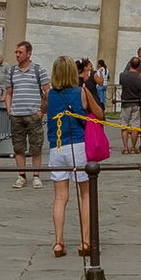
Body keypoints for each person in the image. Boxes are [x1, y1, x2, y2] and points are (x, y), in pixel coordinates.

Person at [45, 56, 92, 258]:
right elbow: (98, 113)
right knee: (85, 194)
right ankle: (85, 242)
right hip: (77, 145)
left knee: (60, 197)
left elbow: (43, 111)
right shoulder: (81, 92)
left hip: (56, 147)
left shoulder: (49, 94)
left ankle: (58, 242)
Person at [4, 41, 48, 189]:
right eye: (16, 52)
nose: (17, 55)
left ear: (28, 53)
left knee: (36, 146)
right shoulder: (11, 71)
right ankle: (21, 176)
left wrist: (42, 112)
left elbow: (47, 92)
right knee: (18, 147)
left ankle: (36, 176)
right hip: (16, 115)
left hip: (33, 115)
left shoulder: (38, 70)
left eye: (20, 52)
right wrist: (9, 109)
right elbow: (9, 93)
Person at [119, 52, 141, 156]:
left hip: (125, 102)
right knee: (135, 125)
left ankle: (125, 147)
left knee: (124, 125)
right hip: (136, 102)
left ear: (130, 64)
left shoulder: (123, 76)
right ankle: (133, 147)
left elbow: (121, 84)